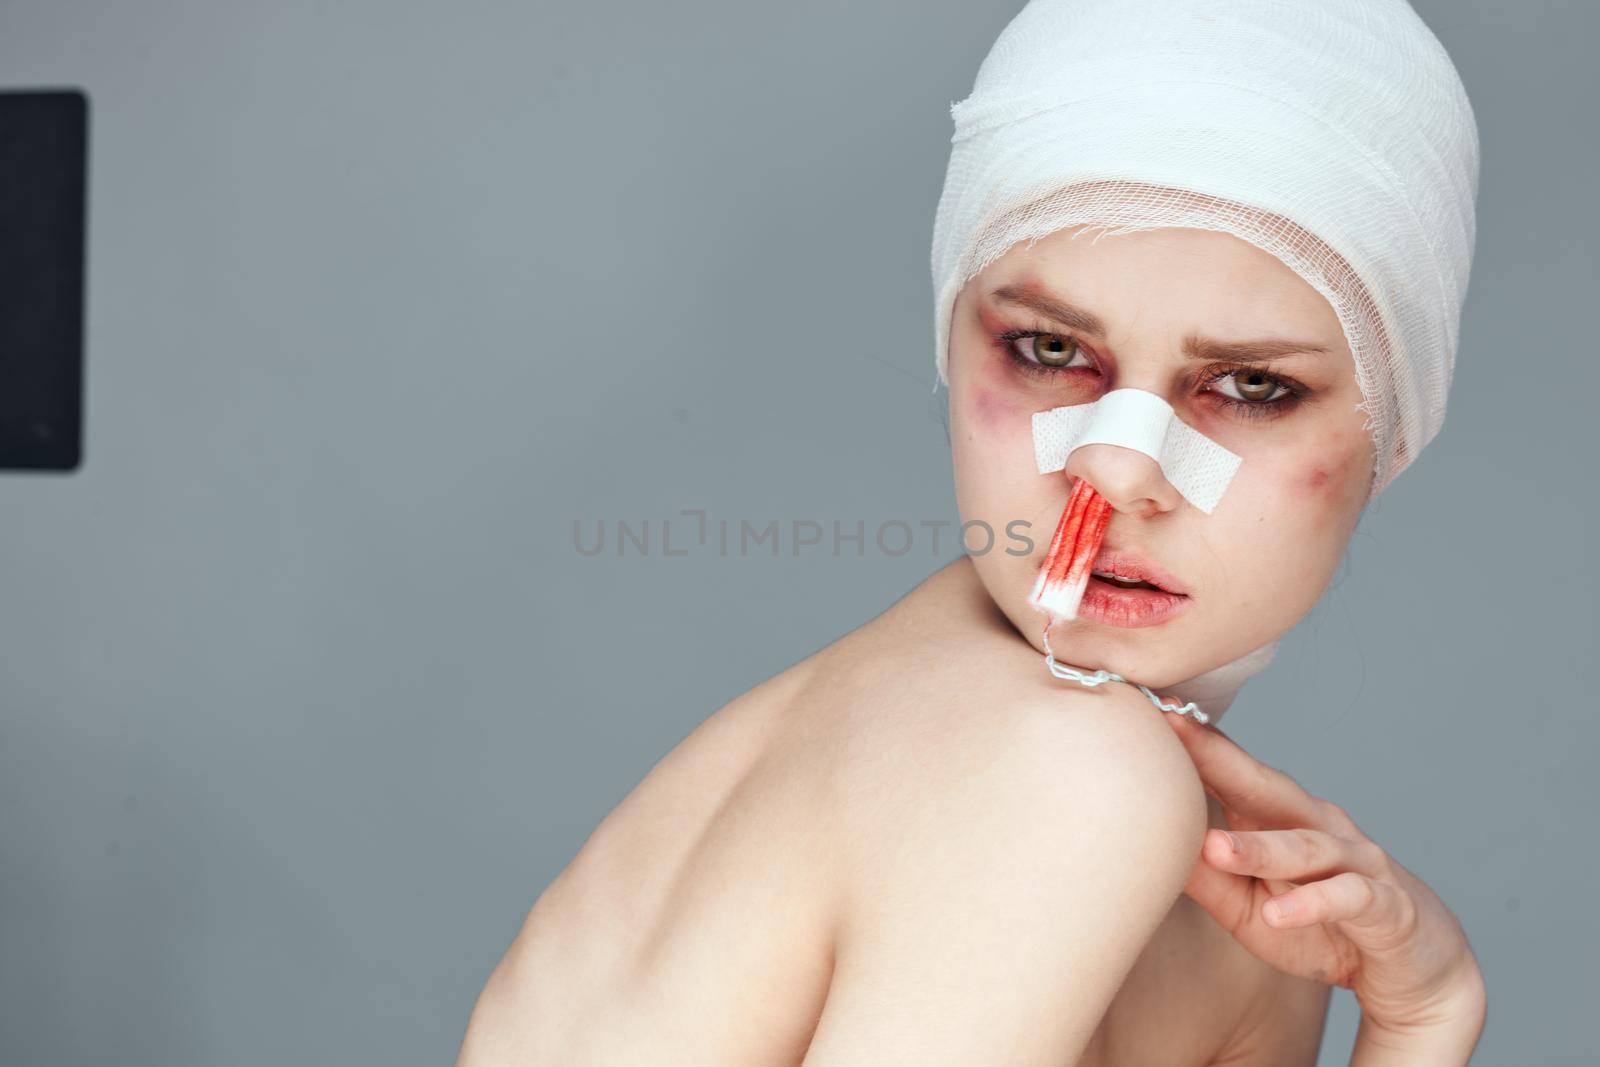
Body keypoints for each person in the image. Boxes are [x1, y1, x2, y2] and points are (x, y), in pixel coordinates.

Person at [454, 1, 1487, 1063]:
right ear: (952, 339)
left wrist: (1424, 1012)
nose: (1117, 469)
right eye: (1047, 348)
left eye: (1251, 384)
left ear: (1391, 427)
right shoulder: (1067, 776)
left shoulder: (1252, 927)